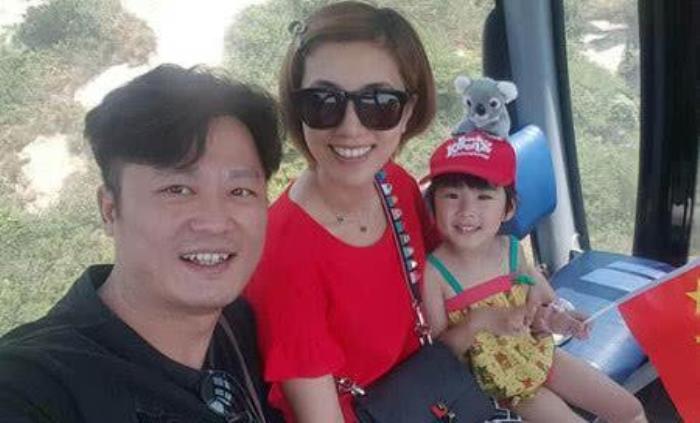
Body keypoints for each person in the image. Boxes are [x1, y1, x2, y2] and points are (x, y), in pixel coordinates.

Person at [0, 64, 284, 422]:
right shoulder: (34, 386)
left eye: (240, 191)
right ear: (110, 209)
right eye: (177, 189)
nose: (215, 221)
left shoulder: (246, 328)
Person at [420, 131, 648, 422]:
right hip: (505, 386)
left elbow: (540, 311)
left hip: (540, 353)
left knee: (630, 410)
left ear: (508, 208)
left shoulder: (512, 251)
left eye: (483, 197)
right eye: (452, 196)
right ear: (432, 204)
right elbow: (440, 356)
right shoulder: (435, 273)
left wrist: (561, 320)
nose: (466, 211)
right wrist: (479, 321)